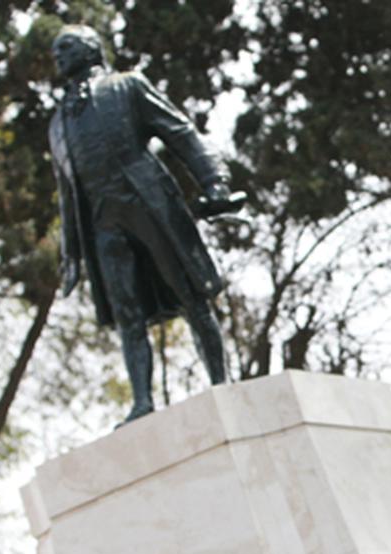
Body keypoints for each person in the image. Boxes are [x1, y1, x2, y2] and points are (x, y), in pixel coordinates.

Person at [48, 25, 237, 424]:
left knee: (191, 294)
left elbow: (180, 132)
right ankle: (142, 404)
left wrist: (214, 182)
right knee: (127, 315)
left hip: (148, 204)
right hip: (102, 223)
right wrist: (70, 256)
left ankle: (222, 383)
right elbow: (67, 192)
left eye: (66, 47)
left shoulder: (126, 86)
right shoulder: (57, 122)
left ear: (90, 49)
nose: (58, 56)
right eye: (55, 51)